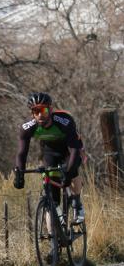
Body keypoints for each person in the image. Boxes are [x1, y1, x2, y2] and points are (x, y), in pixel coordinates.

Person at [12, 91, 85, 223]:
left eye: (44, 110)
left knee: (72, 169)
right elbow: (22, 153)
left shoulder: (64, 121)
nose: (40, 115)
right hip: (50, 152)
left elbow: (74, 150)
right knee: (51, 188)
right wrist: (19, 174)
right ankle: (54, 236)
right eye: (36, 111)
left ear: (50, 109)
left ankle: (77, 203)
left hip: (69, 149)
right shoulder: (27, 128)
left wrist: (68, 174)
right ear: (32, 113)